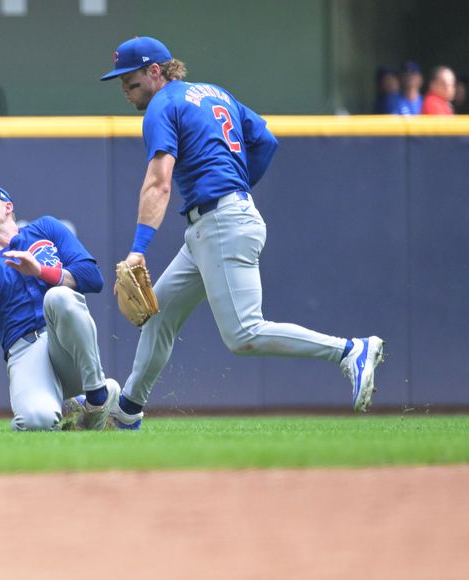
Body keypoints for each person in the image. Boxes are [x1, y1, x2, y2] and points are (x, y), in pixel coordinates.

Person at [99, 37, 385, 430]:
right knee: (158, 317)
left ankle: (350, 350)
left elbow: (159, 183)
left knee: (244, 334)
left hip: (221, 223)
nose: (126, 92)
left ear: (155, 72)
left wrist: (137, 250)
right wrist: (237, 187)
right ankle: (128, 411)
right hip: (217, 222)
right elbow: (265, 140)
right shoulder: (214, 93)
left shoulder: (162, 107)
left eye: (131, 83)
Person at [0, 177, 120, 431]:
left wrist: (40, 271)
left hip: (67, 345)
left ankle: (97, 400)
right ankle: (75, 409)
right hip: (26, 354)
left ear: (7, 207)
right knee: (35, 422)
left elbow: (93, 278)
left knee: (59, 296)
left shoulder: (46, 229)